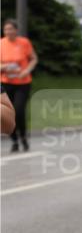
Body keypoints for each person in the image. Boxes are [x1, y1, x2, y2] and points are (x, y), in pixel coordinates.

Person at [0, 18, 38, 152]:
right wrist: (4, 67)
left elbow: (34, 59)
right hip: (5, 83)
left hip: (23, 83)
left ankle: (23, 138)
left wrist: (26, 70)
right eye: (6, 29)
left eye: (11, 29)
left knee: (19, 111)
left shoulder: (24, 43)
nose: (8, 32)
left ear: (16, 30)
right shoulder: (1, 44)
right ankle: (14, 140)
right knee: (8, 114)